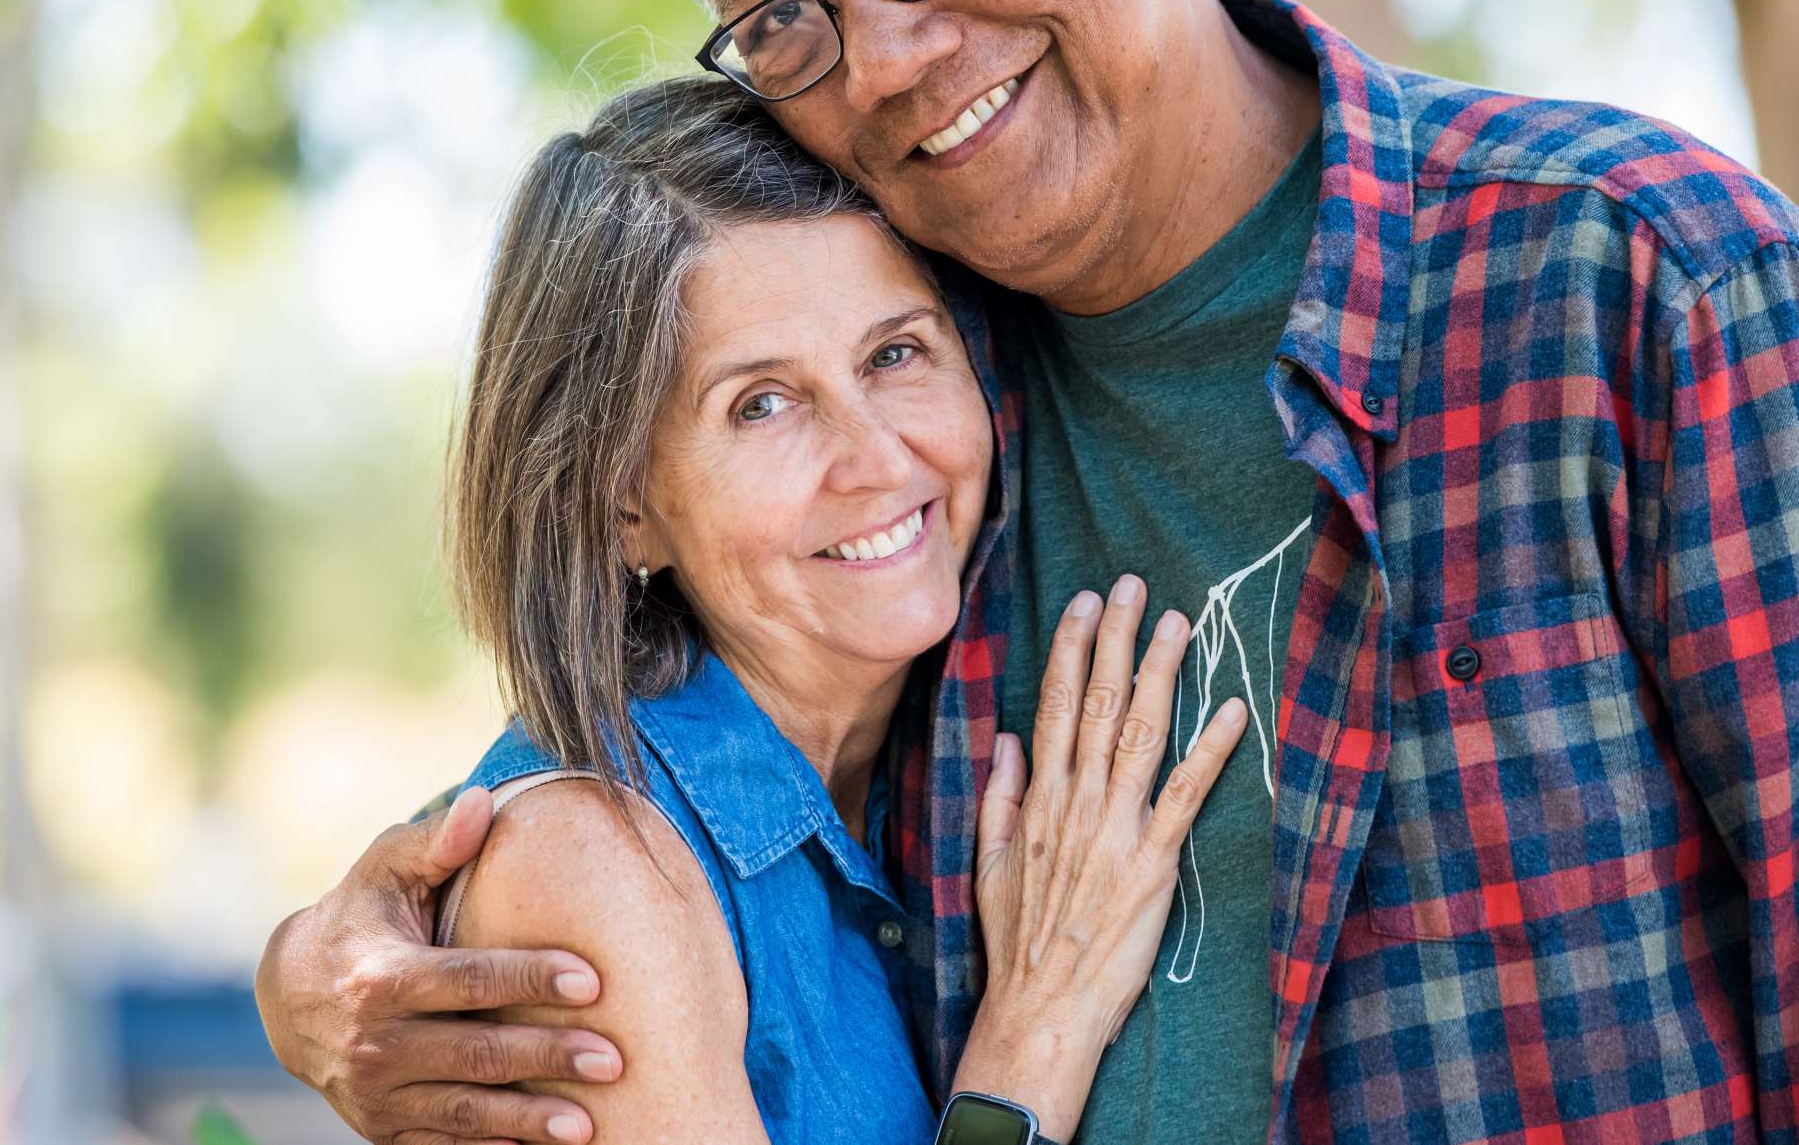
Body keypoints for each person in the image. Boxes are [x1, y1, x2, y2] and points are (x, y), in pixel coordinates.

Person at [257, 0, 1799, 1145]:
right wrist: (323, 959)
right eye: (789, 15)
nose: (883, 52)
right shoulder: (935, 423)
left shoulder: (1641, 286)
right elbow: (654, 774)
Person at [337, 74, 1248, 1144]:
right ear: (624, 505)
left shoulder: (907, 762)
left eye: (895, 353)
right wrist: (1036, 1035)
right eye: (760, 404)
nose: (875, 459)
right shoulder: (594, 870)